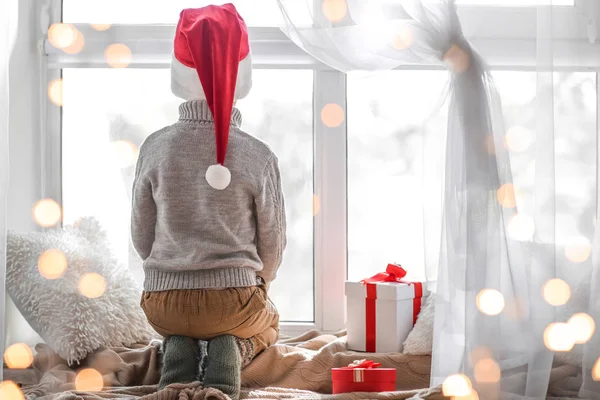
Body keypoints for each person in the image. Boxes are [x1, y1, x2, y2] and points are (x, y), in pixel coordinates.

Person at [130, 4, 286, 399]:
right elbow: (273, 244)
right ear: (243, 77)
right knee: (271, 322)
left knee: (183, 327)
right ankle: (232, 350)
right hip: (231, 303)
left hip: (163, 304)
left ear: (177, 77)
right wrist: (259, 282)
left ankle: (178, 349)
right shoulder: (258, 154)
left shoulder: (154, 147)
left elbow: (141, 236)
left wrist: (175, 270)